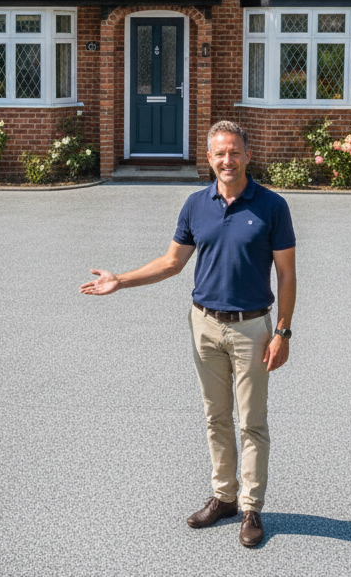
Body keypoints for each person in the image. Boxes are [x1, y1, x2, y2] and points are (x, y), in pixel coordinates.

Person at [80, 120, 296, 548]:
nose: (227, 160)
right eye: (219, 153)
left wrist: (283, 333)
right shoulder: (196, 205)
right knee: (216, 417)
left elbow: (287, 275)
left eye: (234, 152)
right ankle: (224, 497)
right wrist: (120, 280)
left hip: (253, 327)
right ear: (209, 158)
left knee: (251, 422)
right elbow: (171, 263)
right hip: (204, 324)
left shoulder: (272, 206)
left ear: (247, 155)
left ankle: (252, 507)